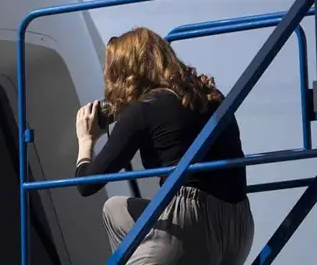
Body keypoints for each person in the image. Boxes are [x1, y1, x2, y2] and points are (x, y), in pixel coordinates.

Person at [74, 27, 254, 265]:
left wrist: (86, 141)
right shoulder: (212, 96)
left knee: (114, 208)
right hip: (239, 227)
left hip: (188, 226)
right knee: (114, 209)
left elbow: (87, 184)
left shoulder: (143, 109)